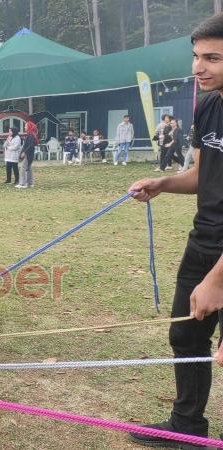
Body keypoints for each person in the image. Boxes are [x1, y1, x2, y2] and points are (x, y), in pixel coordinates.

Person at [127, 14, 223, 447]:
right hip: (204, 238)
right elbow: (201, 175)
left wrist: (217, 279)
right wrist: (164, 183)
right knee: (186, 335)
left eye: (213, 58)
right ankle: (187, 428)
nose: (198, 68)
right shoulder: (209, 105)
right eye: (196, 57)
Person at [17, 121, 37, 188]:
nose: (24, 127)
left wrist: (24, 152)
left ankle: (23, 183)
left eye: (25, 126)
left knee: (23, 168)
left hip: (28, 154)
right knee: (29, 168)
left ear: (29, 127)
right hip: (29, 154)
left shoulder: (31, 135)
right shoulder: (31, 134)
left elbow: (30, 145)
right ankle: (30, 183)